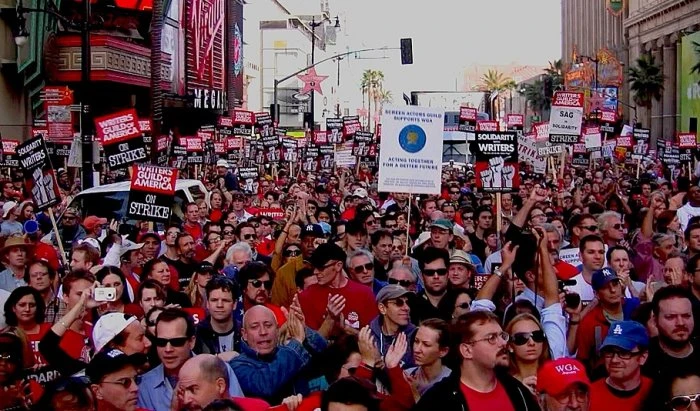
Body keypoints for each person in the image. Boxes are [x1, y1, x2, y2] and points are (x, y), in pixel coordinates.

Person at [414, 310, 540, 410]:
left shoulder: (517, 391)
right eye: (491, 338)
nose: (503, 343)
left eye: (502, 336)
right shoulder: (439, 401)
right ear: (467, 350)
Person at [138, 308, 243, 411]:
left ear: (191, 342)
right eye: (161, 342)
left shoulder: (220, 370)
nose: (168, 349)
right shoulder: (143, 386)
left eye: (176, 342)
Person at [230, 305, 327, 404]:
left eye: (268, 325)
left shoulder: (291, 353)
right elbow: (265, 385)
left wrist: (304, 330)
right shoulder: (237, 365)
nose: (263, 332)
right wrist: (297, 342)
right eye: (255, 327)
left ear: (277, 329)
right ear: (244, 334)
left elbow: (327, 357)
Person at [299, 243, 378, 332]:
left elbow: (374, 337)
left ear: (338, 266)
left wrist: (348, 329)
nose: (315, 272)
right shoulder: (307, 296)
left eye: (321, 268)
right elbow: (309, 342)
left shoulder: (364, 293)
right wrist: (330, 320)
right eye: (314, 267)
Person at [576, 267, 641, 375]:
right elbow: (583, 361)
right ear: (596, 294)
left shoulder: (636, 307)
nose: (613, 290)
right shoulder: (589, 322)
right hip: (605, 377)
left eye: (615, 284)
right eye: (606, 287)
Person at [589, 321, 652, 411]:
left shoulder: (655, 391)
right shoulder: (589, 395)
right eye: (609, 352)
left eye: (624, 353)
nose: (614, 360)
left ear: (643, 357)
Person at [171, 354, 270, 411]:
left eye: (193, 390)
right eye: (183, 392)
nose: (185, 400)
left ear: (220, 385)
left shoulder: (258, 409)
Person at [643, 285, 700, 379]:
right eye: (671, 317)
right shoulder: (644, 359)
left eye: (686, 316)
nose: (680, 323)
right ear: (655, 320)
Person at [368, 284, 417, 367]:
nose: (406, 308)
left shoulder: (416, 336)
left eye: (408, 303)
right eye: (399, 303)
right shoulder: (369, 337)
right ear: (382, 308)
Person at [505, 313, 551, 394]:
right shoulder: (504, 385)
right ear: (510, 346)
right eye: (521, 338)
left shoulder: (556, 375)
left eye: (537, 336)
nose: (531, 343)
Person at [195, 276, 240, 358]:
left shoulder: (244, 332)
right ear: (207, 304)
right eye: (214, 300)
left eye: (225, 300)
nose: (219, 305)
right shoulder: (196, 334)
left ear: (234, 304)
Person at [404, 318, 452, 396]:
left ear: (443, 351)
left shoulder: (452, 383)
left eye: (426, 345)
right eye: (416, 341)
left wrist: (415, 394)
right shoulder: (406, 375)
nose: (417, 349)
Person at [412, 247, 451, 324]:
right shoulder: (412, 304)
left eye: (441, 271)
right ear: (421, 276)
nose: (436, 276)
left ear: (448, 273)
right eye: (430, 272)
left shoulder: (458, 301)